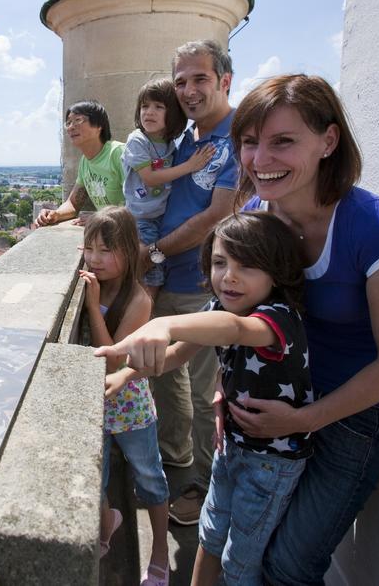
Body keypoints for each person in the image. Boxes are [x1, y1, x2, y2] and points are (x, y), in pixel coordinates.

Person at [121, 74, 379, 585]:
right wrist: (231, 386)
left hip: (356, 416)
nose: (260, 159)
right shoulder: (260, 215)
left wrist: (302, 419)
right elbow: (235, 316)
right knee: (235, 537)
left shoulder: (375, 228)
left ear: (328, 142)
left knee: (288, 564)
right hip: (278, 407)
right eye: (249, 142)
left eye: (283, 141)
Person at [98, 212, 311, 585]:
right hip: (230, 448)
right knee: (210, 536)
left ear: (276, 273)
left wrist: (161, 324)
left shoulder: (277, 318)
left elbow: (236, 330)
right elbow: (178, 354)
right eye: (218, 262)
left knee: (240, 562)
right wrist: (125, 374)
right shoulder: (218, 306)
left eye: (246, 266)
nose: (228, 276)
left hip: (270, 462)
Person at [149, 40, 241, 525]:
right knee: (168, 376)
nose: (188, 90)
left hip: (205, 283)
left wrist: (157, 250)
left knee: (208, 393)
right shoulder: (188, 139)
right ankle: (179, 463)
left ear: (225, 80)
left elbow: (218, 215)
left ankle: (207, 493)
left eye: (199, 78)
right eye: (180, 80)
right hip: (172, 278)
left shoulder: (239, 136)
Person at [79, 207, 169, 586]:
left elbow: (113, 360)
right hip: (94, 400)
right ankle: (107, 523)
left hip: (129, 403)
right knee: (94, 479)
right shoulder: (92, 280)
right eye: (89, 249)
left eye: (106, 250)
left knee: (149, 478)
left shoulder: (139, 300)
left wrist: (92, 306)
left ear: (129, 251)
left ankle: (161, 552)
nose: (95, 259)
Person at [122, 78, 215, 299]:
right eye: (145, 106)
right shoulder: (138, 140)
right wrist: (189, 166)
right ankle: (143, 317)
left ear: (172, 113)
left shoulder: (170, 143)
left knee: (152, 270)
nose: (149, 112)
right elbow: (151, 178)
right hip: (142, 219)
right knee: (150, 275)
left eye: (158, 107)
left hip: (160, 218)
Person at [37, 101, 125, 226]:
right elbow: (73, 203)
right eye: (68, 123)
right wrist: (55, 214)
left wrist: (103, 218)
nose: (71, 127)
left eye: (78, 120)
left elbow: (141, 203)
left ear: (99, 126)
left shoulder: (117, 153)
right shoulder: (85, 161)